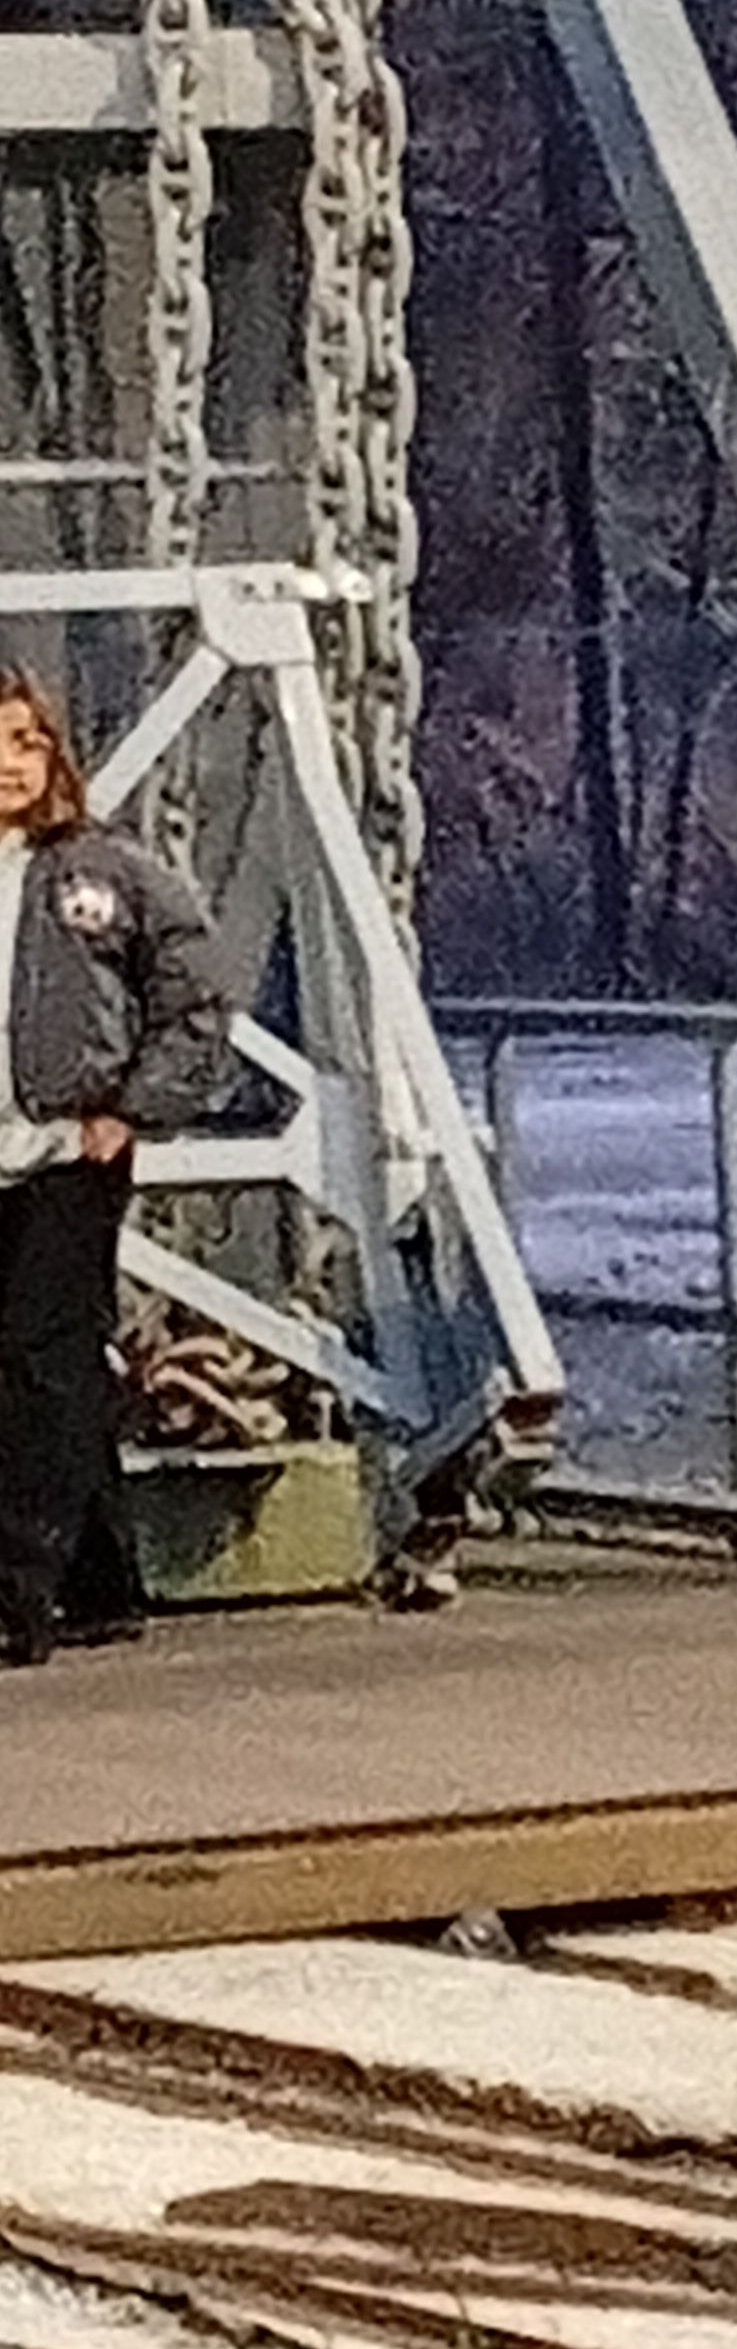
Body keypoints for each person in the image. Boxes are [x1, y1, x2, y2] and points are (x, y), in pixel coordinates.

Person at [0, 669, 231, 1666]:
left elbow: (197, 994)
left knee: (34, 1361)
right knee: (46, 1365)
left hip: (63, 1156)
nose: (9, 765)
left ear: (55, 756)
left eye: (25, 742)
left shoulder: (104, 876)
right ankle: (101, 1584)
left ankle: (16, 1595)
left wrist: (132, 1108)